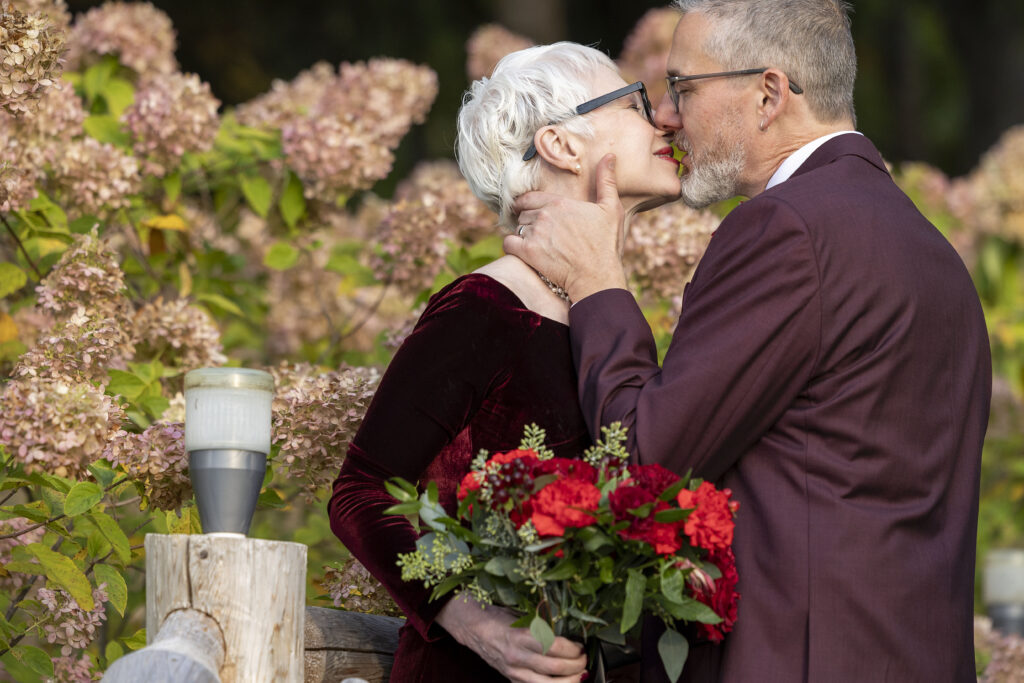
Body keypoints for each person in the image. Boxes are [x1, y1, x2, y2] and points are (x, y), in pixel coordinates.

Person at [504, 1, 992, 682]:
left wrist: (596, 281)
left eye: (683, 87)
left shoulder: (787, 229)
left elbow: (646, 462)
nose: (667, 116)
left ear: (768, 93)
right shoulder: (930, 250)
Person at [327, 42, 682, 683]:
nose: (663, 119)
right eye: (635, 103)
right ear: (561, 145)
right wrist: (471, 620)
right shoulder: (483, 307)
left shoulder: (610, 320)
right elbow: (361, 492)